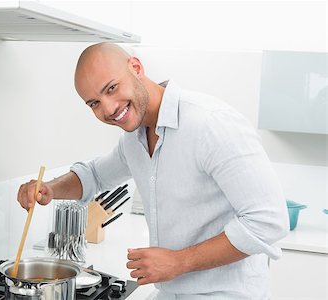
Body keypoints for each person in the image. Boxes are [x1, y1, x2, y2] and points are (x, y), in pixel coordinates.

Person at [17, 42, 289, 299]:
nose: (108, 109)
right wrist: (49, 188)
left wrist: (179, 261)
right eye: (94, 103)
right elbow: (94, 176)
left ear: (136, 68)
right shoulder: (134, 139)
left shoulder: (210, 124)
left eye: (111, 88)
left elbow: (268, 222)